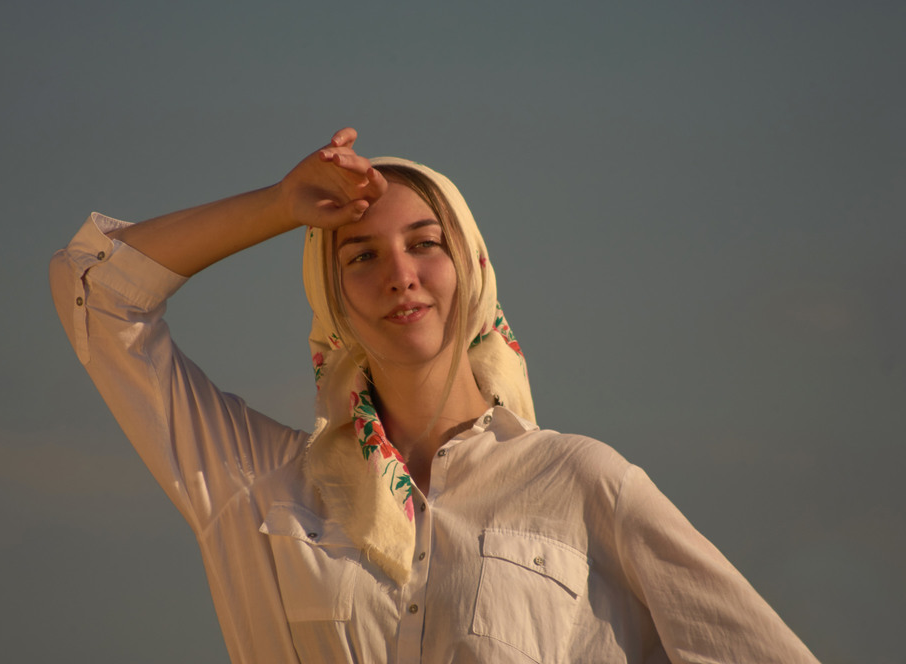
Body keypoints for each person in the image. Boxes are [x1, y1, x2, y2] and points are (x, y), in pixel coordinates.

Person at [50, 128, 818, 663]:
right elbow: (97, 291)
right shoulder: (254, 487)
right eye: (360, 255)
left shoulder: (584, 484)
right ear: (332, 296)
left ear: (472, 269)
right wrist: (281, 206)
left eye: (426, 243)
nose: (400, 273)